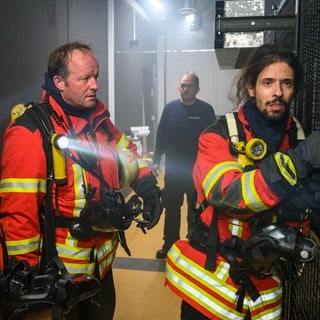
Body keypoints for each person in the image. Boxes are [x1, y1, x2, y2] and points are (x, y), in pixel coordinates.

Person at [0, 41, 162, 320]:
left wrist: (148, 186)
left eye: (96, 76)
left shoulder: (99, 121)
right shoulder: (30, 132)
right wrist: (23, 279)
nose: (95, 85)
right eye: (85, 78)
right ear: (59, 82)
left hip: (101, 269)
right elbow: (18, 213)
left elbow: (130, 154)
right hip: (58, 277)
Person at [165, 44, 320, 319]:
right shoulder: (219, 134)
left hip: (265, 291)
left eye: (286, 83)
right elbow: (229, 195)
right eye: (268, 83)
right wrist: (299, 161)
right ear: (251, 87)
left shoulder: (296, 135)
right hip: (211, 289)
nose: (277, 93)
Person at [152, 72, 216, 259]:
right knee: (172, 208)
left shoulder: (206, 110)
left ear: (197, 89)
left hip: (198, 171)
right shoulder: (170, 109)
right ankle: (170, 245)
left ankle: (194, 247)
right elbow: (162, 134)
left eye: (189, 86)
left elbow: (213, 140)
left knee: (195, 210)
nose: (185, 89)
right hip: (174, 170)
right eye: (182, 85)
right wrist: (156, 158)